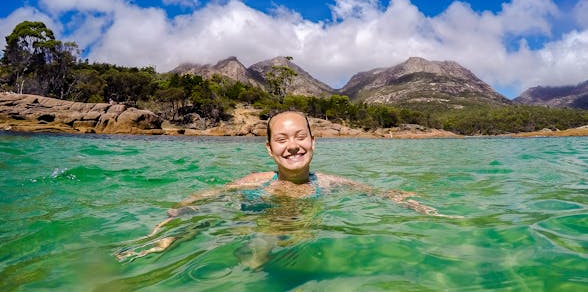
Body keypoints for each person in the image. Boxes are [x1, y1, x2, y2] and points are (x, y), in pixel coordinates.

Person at [115, 111, 455, 262]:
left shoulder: (332, 183)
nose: (292, 146)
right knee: (221, 229)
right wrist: (167, 225)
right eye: (281, 139)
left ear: (313, 142)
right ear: (269, 149)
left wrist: (410, 202)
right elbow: (199, 202)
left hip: (289, 232)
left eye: (300, 137)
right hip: (250, 216)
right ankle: (160, 247)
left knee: (269, 249)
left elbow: (377, 193)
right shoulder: (253, 182)